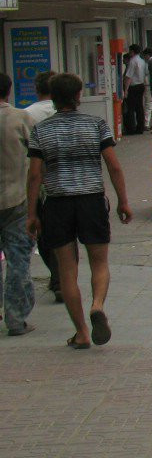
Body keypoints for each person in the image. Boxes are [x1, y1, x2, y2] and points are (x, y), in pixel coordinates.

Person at [26, 73, 132, 350]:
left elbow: (35, 175)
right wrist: (123, 200)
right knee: (99, 262)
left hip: (58, 203)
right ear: (78, 96)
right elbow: (113, 165)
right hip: (91, 200)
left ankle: (82, 332)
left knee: (67, 270)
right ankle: (97, 305)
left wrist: (32, 214)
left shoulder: (41, 130)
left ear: (52, 97)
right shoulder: (96, 124)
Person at [21, 71, 62, 303]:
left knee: (43, 233)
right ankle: (63, 278)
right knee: (65, 233)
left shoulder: (27, 114)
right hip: (65, 182)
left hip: (39, 182)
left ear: (37, 90)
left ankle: (57, 277)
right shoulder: (66, 113)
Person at [2, 73, 35, 336]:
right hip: (16, 198)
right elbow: (38, 157)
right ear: (9, 91)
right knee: (17, 260)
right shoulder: (20, 118)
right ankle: (15, 318)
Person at [122, 47, 148, 135]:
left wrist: (126, 90)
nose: (129, 53)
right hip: (141, 85)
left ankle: (131, 129)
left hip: (133, 87)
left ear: (132, 52)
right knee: (139, 107)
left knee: (131, 108)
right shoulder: (142, 61)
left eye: (129, 51)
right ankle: (140, 127)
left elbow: (129, 76)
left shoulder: (132, 61)